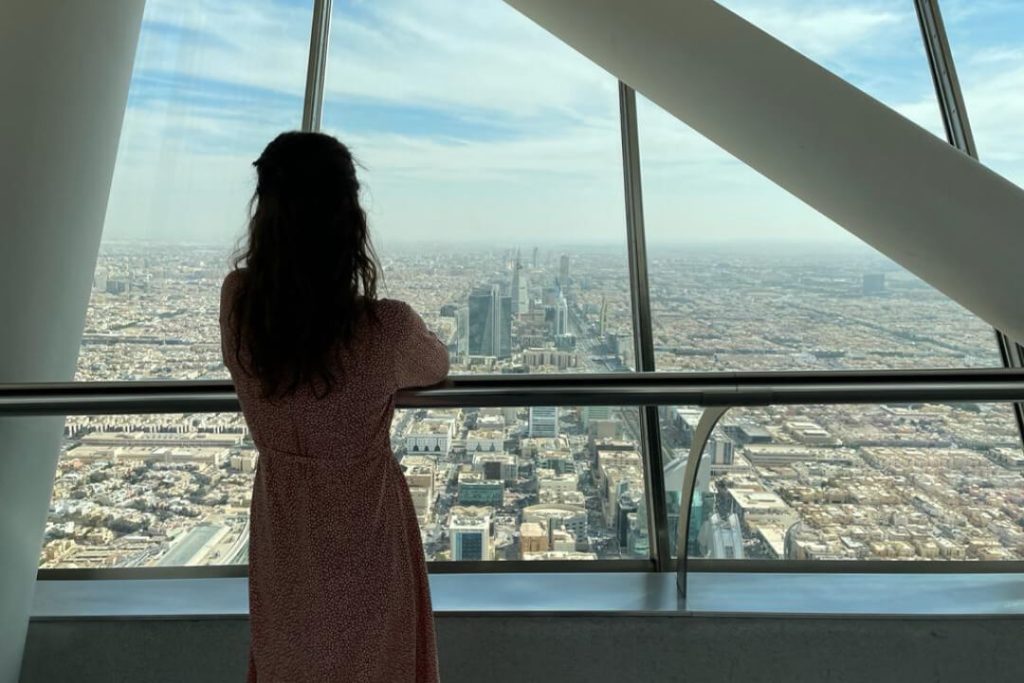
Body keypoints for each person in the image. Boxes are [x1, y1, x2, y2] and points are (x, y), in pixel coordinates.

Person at [220, 131, 449, 682]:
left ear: (265, 215)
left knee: (290, 658)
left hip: (283, 530)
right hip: (363, 525)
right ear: (349, 221)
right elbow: (436, 365)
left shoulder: (240, 304)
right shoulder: (385, 328)